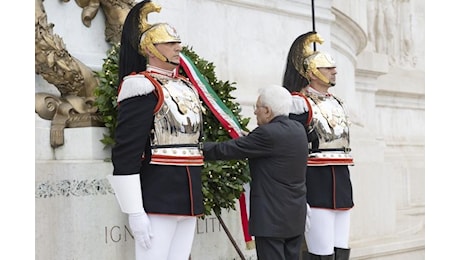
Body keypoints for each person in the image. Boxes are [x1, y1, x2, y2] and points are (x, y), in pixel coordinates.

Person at [106, 1, 205, 259]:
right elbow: (127, 152)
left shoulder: (186, 86)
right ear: (150, 48)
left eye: (178, 42)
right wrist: (135, 211)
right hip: (158, 196)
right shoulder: (141, 86)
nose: (178, 48)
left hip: (189, 196)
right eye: (170, 43)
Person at [203, 85, 309, 260]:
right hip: (295, 217)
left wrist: (196, 148)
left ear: (267, 111)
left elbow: (226, 149)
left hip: (271, 220)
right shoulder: (298, 130)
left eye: (257, 108)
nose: (254, 113)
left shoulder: (267, 134)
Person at [282, 32, 354, 260]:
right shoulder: (299, 103)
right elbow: (291, 148)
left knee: (341, 247)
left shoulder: (337, 102)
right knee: (321, 250)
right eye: (327, 68)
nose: (334, 71)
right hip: (315, 181)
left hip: (341, 180)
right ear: (312, 73)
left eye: (333, 67)